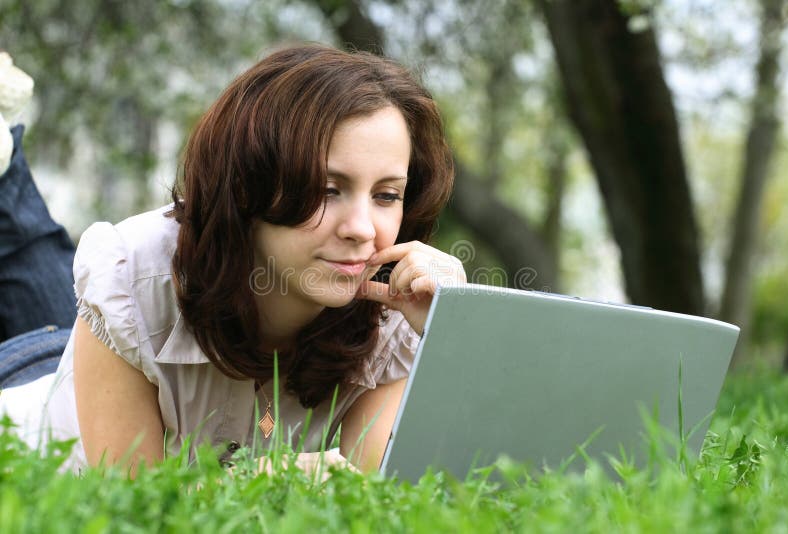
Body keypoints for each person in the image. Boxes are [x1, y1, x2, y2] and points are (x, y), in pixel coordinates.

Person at [0, 44, 464, 476]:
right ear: (249, 183)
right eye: (327, 189)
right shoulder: (133, 270)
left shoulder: (400, 307)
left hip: (100, 344)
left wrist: (452, 331)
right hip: (32, 380)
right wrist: (282, 476)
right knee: (28, 244)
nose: (362, 228)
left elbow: (383, 495)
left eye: (387, 195)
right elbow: (137, 505)